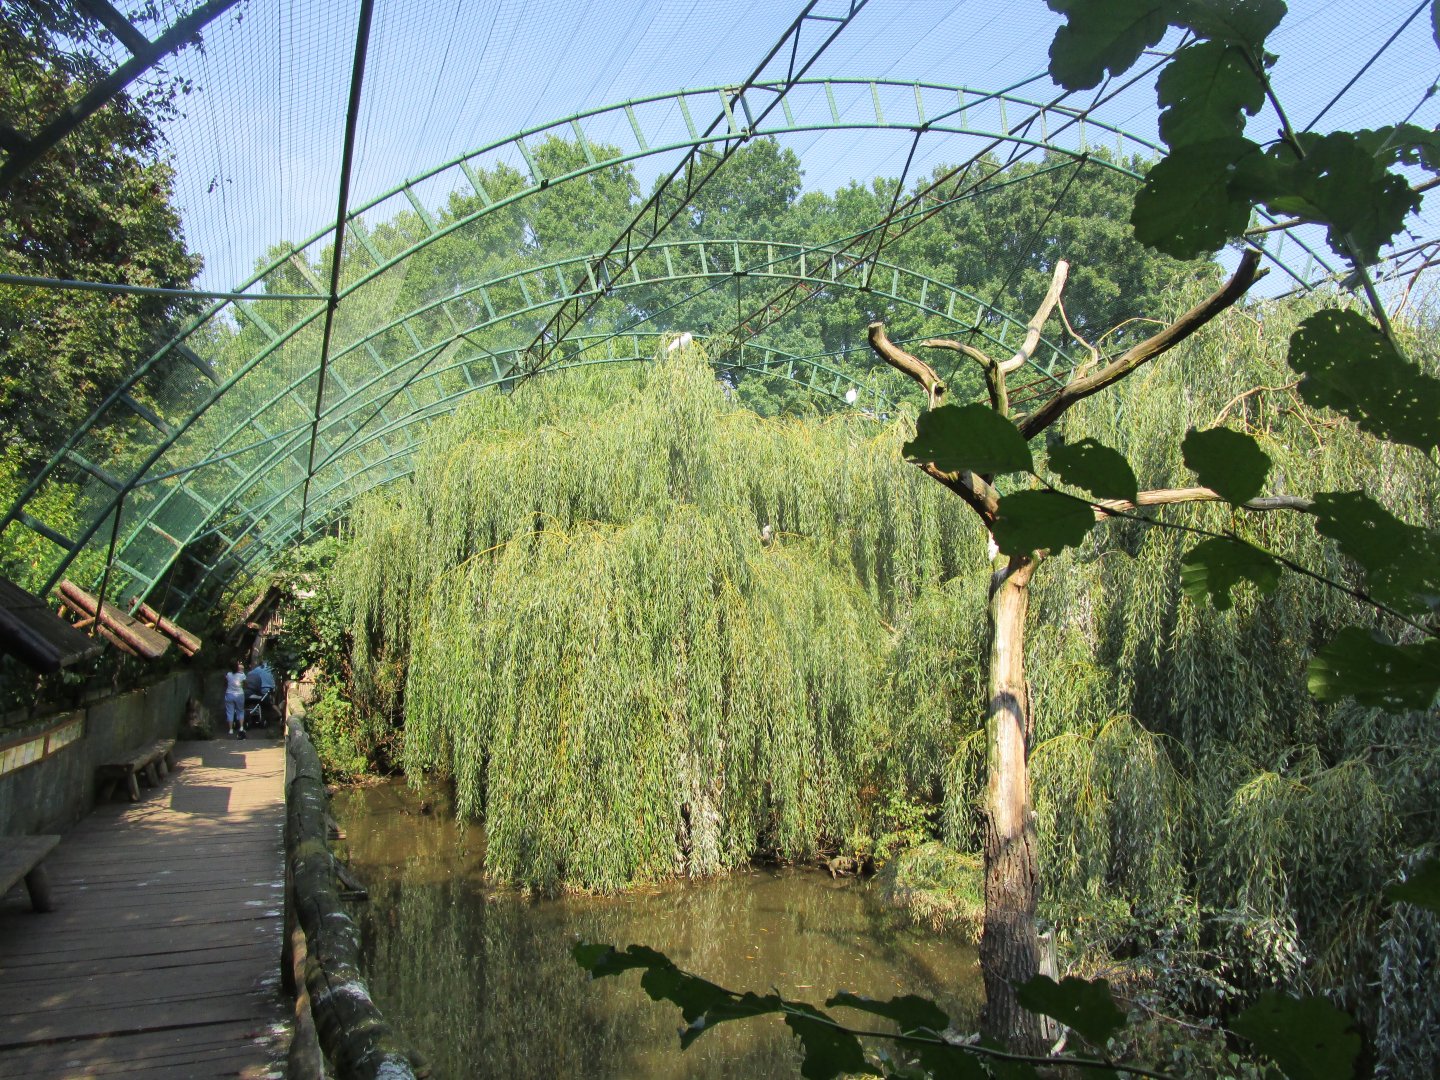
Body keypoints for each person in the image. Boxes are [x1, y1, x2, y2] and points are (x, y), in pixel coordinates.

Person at [224, 660, 247, 739]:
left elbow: (225, 681)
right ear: (237, 667)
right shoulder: (242, 675)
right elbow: (246, 684)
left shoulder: (228, 674)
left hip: (229, 694)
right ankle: (241, 727)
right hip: (239, 694)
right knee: (240, 711)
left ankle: (230, 729)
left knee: (229, 712)